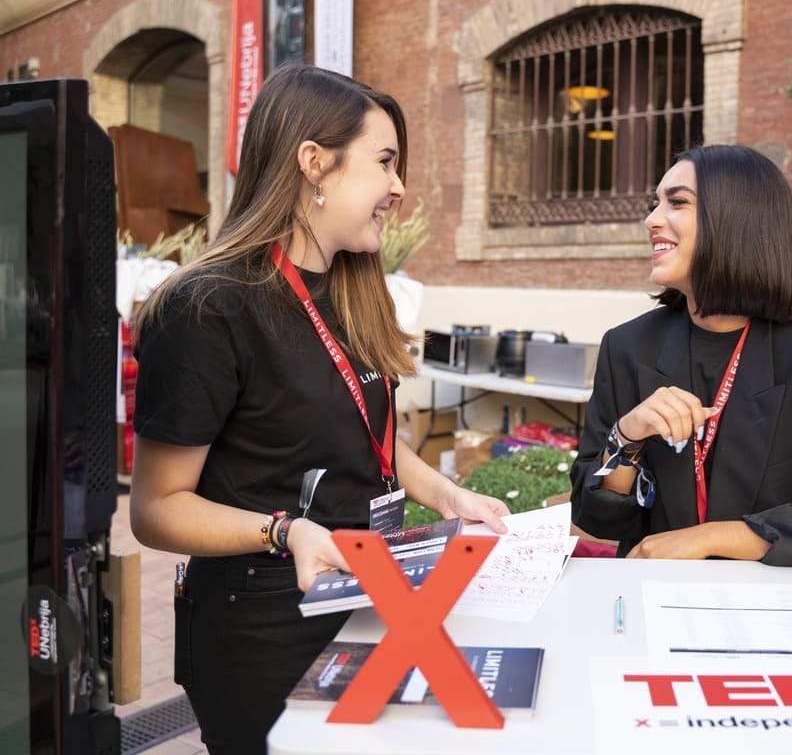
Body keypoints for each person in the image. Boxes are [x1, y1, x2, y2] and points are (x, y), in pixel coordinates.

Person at [130, 64, 509, 755]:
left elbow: (364, 434)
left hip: (365, 600)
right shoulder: (209, 307)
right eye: (385, 162)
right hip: (263, 629)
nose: (399, 187)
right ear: (314, 163)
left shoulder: (354, 289)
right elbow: (156, 510)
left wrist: (448, 495)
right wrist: (285, 532)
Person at [569, 144, 792, 565]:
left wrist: (710, 538)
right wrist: (626, 438)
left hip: (774, 599)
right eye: (655, 204)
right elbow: (597, 518)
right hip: (652, 591)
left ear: (737, 218)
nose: (651, 220)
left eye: (677, 203)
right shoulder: (628, 346)